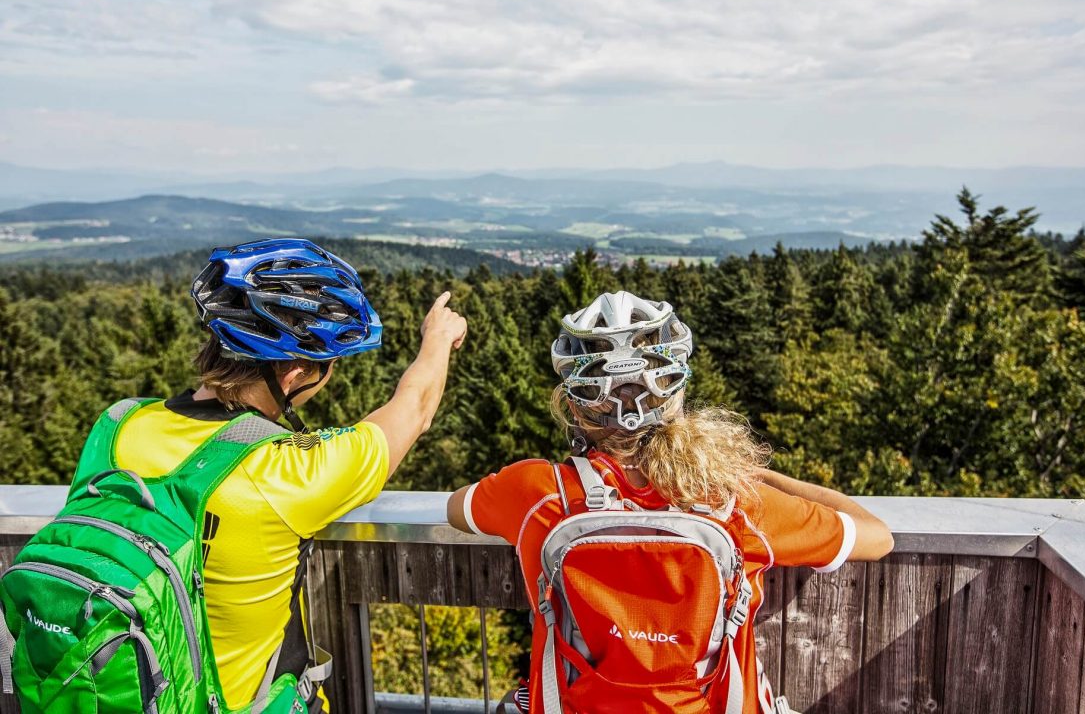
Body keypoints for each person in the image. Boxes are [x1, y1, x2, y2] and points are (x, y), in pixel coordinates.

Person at [446, 291, 893, 714]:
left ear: (576, 407)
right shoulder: (734, 503)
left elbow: (458, 507)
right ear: (674, 393)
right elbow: (878, 538)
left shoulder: (538, 493)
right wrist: (758, 476)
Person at [119, 238, 466, 711]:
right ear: (295, 373)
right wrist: (438, 338)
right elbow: (415, 409)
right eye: (327, 367)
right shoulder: (290, 470)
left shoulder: (118, 425)